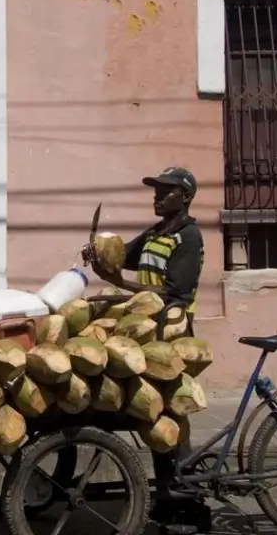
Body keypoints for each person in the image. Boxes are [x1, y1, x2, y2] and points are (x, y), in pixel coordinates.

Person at [88, 166, 211, 530]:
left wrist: (121, 284)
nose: (158, 196)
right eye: (157, 190)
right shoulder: (157, 232)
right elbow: (124, 255)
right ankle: (166, 495)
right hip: (148, 331)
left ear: (185, 197)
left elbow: (177, 292)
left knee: (171, 415)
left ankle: (188, 501)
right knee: (151, 413)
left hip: (172, 333)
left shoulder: (187, 237)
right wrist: (99, 251)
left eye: (167, 191)